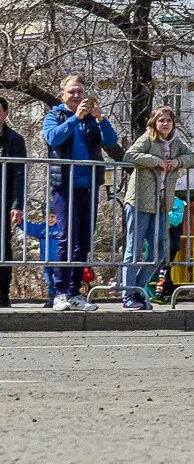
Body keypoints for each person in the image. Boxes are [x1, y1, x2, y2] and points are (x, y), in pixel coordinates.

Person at [42, 75, 118, 311]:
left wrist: (100, 119)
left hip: (89, 184)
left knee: (84, 240)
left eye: (80, 92)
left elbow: (111, 141)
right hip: (65, 186)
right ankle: (60, 291)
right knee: (67, 237)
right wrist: (75, 118)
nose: (77, 96)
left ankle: (75, 291)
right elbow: (53, 138)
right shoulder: (55, 116)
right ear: (62, 94)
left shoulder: (91, 120)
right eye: (72, 92)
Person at [120, 105, 194, 310]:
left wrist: (178, 161)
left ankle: (137, 289)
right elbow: (130, 155)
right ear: (154, 122)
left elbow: (193, 157)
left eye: (168, 121)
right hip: (140, 200)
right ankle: (128, 294)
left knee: (160, 251)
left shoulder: (176, 142)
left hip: (162, 205)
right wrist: (156, 161)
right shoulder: (147, 138)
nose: (165, 124)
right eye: (161, 120)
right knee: (134, 249)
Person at [0, 97, 26, 307]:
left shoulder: (14, 140)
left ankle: (2, 293)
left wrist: (17, 205)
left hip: (4, 199)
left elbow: (19, 174)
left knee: (2, 247)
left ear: (5, 113)